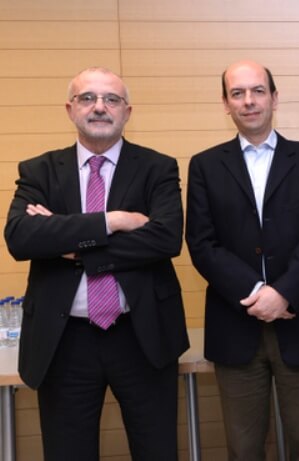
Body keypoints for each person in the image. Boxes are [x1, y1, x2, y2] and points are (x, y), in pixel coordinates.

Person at [3, 67, 188, 461]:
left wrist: (68, 240)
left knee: (156, 451)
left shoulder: (157, 168)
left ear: (127, 111)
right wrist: (113, 221)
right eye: (87, 98)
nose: (99, 107)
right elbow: (20, 237)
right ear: (70, 109)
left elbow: (165, 238)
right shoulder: (39, 170)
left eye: (111, 99)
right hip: (64, 341)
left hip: (142, 335)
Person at [185, 60, 299, 461]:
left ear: (274, 98)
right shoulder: (205, 165)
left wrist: (283, 293)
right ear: (225, 103)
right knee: (244, 448)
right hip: (234, 325)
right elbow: (201, 243)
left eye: (257, 91)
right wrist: (256, 292)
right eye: (237, 93)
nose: (248, 101)